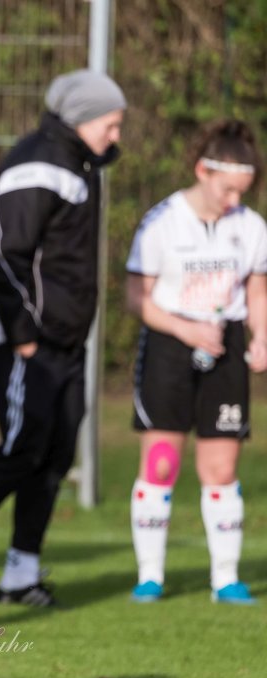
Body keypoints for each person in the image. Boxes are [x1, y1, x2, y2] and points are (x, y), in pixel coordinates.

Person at [0, 69, 126, 607]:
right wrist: (25, 333)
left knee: (55, 450)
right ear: (81, 118)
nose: (116, 137)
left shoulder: (78, 164)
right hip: (23, 338)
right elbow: (5, 256)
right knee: (22, 445)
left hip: (64, 342)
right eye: (111, 124)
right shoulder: (36, 164)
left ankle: (20, 575)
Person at [126, 119, 267, 605]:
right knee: (162, 462)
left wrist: (261, 335)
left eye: (241, 192)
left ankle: (225, 578)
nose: (233, 200)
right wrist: (186, 330)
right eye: (227, 189)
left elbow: (256, 289)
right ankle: (150, 575)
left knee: (221, 467)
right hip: (171, 341)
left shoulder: (250, 228)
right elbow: (135, 296)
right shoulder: (161, 222)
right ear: (202, 170)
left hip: (224, 346)